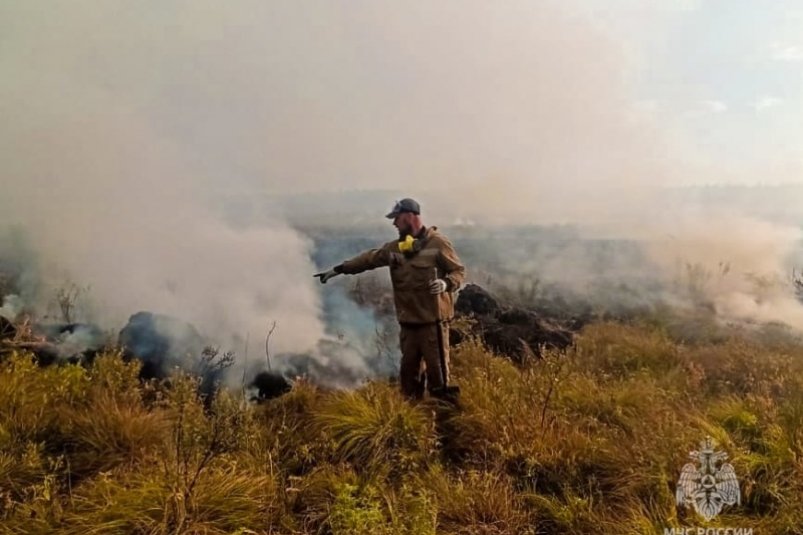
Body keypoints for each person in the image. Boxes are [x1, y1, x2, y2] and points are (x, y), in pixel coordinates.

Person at [315, 198, 465, 400]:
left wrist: (447, 283)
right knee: (408, 378)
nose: (394, 224)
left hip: (433, 324)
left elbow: (458, 271)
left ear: (410, 217)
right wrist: (337, 270)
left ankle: (445, 420)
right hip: (409, 324)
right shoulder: (396, 248)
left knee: (439, 377)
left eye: (397, 218)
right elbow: (369, 259)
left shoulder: (438, 243)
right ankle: (413, 421)